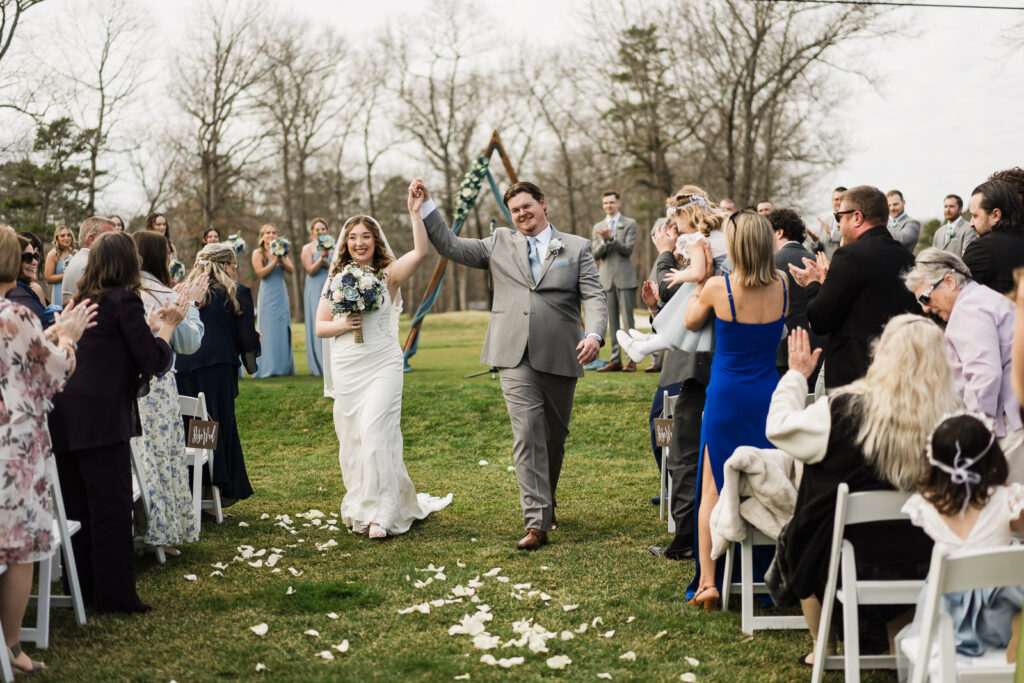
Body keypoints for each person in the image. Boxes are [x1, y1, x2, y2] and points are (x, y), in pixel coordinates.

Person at [414, 177, 606, 550]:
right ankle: (536, 522)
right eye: (514, 210)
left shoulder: (576, 247)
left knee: (553, 437)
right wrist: (426, 207)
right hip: (512, 354)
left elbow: (595, 296)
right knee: (527, 433)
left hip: (561, 352)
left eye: (526, 206)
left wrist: (595, 335)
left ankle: (546, 499)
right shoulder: (499, 242)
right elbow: (450, 245)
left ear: (542, 203)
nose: (521, 214)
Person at [767, 317, 957, 666]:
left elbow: (778, 428)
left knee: (805, 523)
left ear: (882, 354)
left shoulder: (840, 409)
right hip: (922, 558)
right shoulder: (951, 420)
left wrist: (796, 376)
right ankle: (899, 645)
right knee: (906, 536)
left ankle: (823, 646)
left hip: (833, 557)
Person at [48, 231, 189, 613]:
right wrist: (168, 327)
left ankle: (85, 590)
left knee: (77, 505)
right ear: (127, 263)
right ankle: (115, 596)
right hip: (100, 415)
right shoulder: (123, 299)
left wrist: (146, 328)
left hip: (64, 412)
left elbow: (111, 347)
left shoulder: (80, 300)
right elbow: (152, 360)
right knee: (111, 505)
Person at [316, 195, 452, 539]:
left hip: (382, 364)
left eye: (365, 236)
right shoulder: (335, 278)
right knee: (355, 439)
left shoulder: (388, 275)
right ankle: (364, 503)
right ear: (346, 244)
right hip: (348, 366)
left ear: (375, 241)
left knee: (377, 434)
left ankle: (386, 512)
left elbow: (421, 252)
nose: (359, 242)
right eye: (352, 237)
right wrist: (344, 325)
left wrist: (415, 212)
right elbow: (320, 327)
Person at [0, 228, 96, 673]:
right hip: (14, 446)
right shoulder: (17, 315)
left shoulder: (19, 319)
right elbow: (56, 370)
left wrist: (51, 331)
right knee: (18, 548)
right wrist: (69, 337)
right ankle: (12, 648)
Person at [683, 210, 788, 610]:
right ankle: (766, 575)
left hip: (727, 396)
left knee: (714, 488)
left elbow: (691, 323)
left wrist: (697, 289)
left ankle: (709, 582)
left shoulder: (717, 287)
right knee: (764, 482)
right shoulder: (783, 284)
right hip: (767, 395)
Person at [898, 413, 1024, 661]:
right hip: (1002, 619)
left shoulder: (926, 506)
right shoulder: (1007, 500)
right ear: (991, 455)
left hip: (946, 621)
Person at [903, 248, 1023, 483]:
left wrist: (972, 435)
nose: (925, 308)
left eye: (925, 298)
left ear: (949, 281)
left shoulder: (968, 308)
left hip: (1010, 425)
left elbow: (984, 376)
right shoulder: (980, 298)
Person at [790, 185, 918, 390]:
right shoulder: (908, 258)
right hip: (899, 376)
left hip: (856, 380)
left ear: (857, 217)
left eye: (839, 216)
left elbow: (820, 320)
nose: (837, 224)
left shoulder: (849, 256)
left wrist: (813, 283)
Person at [131, 231, 206, 554]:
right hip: (158, 385)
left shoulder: (125, 290)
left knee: (139, 458)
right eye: (166, 254)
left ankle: (138, 527)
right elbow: (189, 342)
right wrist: (193, 305)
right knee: (161, 457)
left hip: (130, 385)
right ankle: (160, 533)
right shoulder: (161, 293)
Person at [646, 220, 712, 561]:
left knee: (679, 445)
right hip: (688, 364)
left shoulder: (701, 262)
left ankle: (683, 522)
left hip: (692, 368)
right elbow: (669, 311)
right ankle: (669, 486)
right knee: (660, 423)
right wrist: (654, 309)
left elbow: (672, 291)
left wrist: (664, 254)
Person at [176, 244, 260, 507]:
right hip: (217, 368)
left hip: (185, 365)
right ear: (225, 265)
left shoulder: (185, 291)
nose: (234, 270)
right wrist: (254, 346)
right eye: (233, 265)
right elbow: (247, 339)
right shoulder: (237, 292)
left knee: (194, 424)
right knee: (214, 423)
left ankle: (194, 490)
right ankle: (211, 493)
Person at [617, 190, 729, 361]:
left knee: (685, 304)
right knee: (685, 309)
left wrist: (680, 276)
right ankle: (652, 340)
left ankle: (645, 347)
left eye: (675, 218)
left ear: (685, 213)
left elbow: (699, 273)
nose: (675, 224)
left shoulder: (695, 239)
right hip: (725, 283)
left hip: (713, 284)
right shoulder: (715, 233)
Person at [770, 208, 824, 384]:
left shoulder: (769, 263)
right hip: (817, 349)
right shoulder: (817, 260)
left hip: (782, 352)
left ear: (779, 232)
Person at [591, 190, 638, 372]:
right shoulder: (598, 226)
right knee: (612, 322)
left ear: (618, 203)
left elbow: (627, 250)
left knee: (628, 322)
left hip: (625, 278)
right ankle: (615, 360)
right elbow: (595, 254)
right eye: (605, 203)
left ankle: (632, 359)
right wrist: (604, 242)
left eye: (611, 202)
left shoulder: (630, 223)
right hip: (606, 280)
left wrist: (612, 239)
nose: (608, 206)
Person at [962, 180, 1024, 295]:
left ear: (995, 215)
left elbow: (956, 295)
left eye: (975, 216)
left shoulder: (981, 249)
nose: (971, 223)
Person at [252, 223, 295, 377]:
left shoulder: (282, 251)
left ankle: (282, 367)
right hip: (267, 294)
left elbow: (291, 270)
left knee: (281, 329)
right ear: (262, 236)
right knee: (267, 330)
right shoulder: (258, 253)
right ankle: (267, 367)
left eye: (273, 233)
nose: (271, 235)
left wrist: (281, 258)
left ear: (277, 235)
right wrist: (275, 261)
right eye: (268, 233)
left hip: (281, 293)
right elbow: (260, 273)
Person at [62, 216, 117, 307]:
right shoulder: (89, 265)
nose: (115, 243)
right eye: (109, 237)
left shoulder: (81, 259)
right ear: (91, 239)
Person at [302, 217, 332, 376]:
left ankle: (332, 361)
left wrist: (327, 260)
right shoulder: (307, 248)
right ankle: (319, 363)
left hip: (330, 285)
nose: (320, 232)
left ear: (327, 230)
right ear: (312, 232)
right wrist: (321, 257)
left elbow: (336, 269)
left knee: (331, 320)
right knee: (317, 320)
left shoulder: (334, 246)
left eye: (323, 229)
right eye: (317, 229)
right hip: (314, 287)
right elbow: (310, 270)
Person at [6, 235, 51, 327]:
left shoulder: (23, 289)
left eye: (35, 256)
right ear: (13, 260)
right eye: (28, 257)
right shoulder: (18, 295)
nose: (35, 262)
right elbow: (40, 330)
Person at [806, 187, 846, 259]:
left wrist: (831, 232)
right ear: (832, 201)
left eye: (842, 199)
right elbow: (820, 251)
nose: (839, 202)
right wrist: (816, 241)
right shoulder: (826, 221)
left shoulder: (853, 220)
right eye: (836, 199)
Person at [44, 225, 76, 306]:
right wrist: (66, 275)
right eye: (62, 236)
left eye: (69, 235)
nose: (66, 238)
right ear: (57, 238)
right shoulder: (53, 254)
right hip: (60, 293)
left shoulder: (76, 253)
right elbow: (48, 278)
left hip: (75, 292)